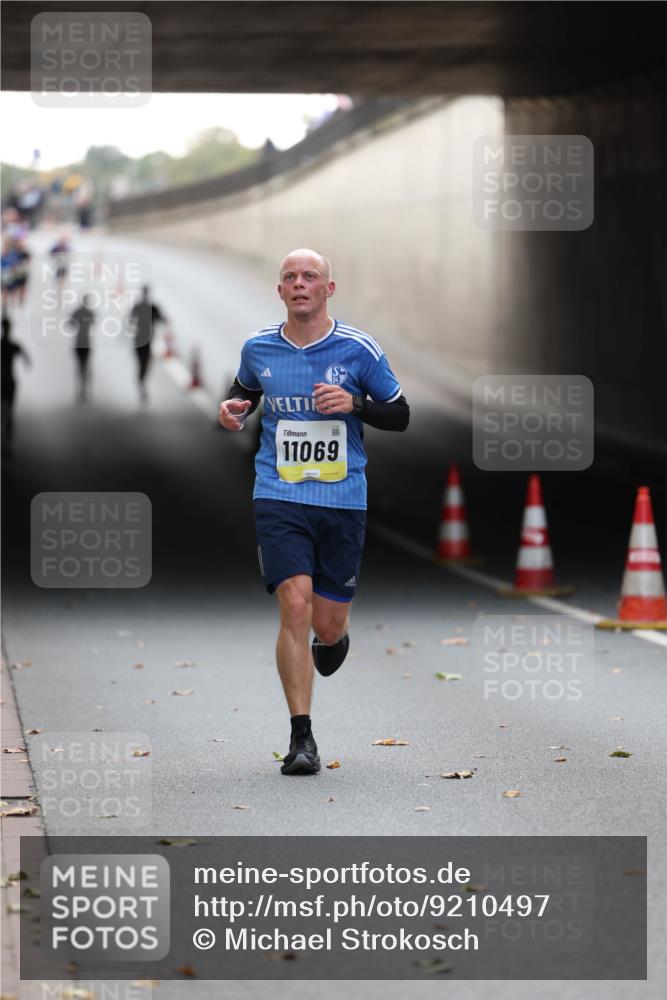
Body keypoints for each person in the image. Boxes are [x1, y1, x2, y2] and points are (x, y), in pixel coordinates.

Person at [218, 249, 409, 775]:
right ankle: (302, 738)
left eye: (310, 277)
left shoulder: (357, 349)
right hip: (278, 493)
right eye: (290, 278)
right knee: (294, 608)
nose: (299, 284)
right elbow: (245, 389)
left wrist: (355, 405)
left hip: (343, 498)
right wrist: (234, 406)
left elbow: (400, 414)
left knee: (325, 621)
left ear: (329, 288)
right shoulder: (259, 347)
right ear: (280, 291)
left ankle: (336, 636)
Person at [128, 285, 166, 402]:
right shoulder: (150, 307)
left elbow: (131, 321)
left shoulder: (145, 307)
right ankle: (142, 382)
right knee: (143, 364)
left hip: (142, 339)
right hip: (143, 340)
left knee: (143, 364)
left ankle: (141, 382)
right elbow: (163, 319)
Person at [1, 313, 31, 454]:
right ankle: (7, 444)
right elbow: (27, 360)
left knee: (4, 413)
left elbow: (26, 359)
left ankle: (5, 443)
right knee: (9, 414)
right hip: (10, 382)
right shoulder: (13, 345)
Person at [67, 293, 95, 401]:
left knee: (81, 366)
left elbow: (70, 323)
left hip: (80, 341)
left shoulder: (78, 312)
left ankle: (82, 389)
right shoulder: (89, 313)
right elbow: (93, 323)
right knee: (84, 366)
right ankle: (83, 389)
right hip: (85, 341)